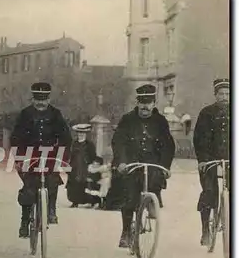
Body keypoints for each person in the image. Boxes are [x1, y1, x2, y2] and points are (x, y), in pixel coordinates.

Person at [112, 83, 175, 248]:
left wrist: (165, 166)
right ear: (137, 103)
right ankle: (126, 231)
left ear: (154, 103)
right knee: (128, 195)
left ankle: (153, 200)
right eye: (142, 102)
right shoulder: (127, 119)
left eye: (148, 102)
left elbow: (168, 145)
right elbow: (119, 141)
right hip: (132, 162)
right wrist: (122, 161)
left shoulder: (160, 121)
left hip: (152, 163)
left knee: (155, 178)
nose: (145, 106)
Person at [11, 82, 72, 238]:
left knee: (53, 179)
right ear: (33, 99)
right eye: (37, 98)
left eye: (44, 99)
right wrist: (19, 158)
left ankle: (51, 209)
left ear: (49, 99)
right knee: (29, 188)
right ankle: (24, 222)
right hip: (29, 155)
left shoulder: (56, 114)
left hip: (50, 154)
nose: (40, 102)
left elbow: (65, 138)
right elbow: (15, 137)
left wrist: (63, 158)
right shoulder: (25, 114)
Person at [193, 78, 230, 246]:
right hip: (210, 159)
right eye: (221, 94)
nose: (225, 97)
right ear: (215, 95)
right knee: (209, 192)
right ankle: (205, 230)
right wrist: (203, 160)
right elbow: (200, 139)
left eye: (228, 94)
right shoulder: (206, 113)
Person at [66, 124, 97, 207]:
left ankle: (91, 201)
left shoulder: (90, 144)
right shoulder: (74, 143)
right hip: (75, 166)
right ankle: (75, 202)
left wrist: (92, 165)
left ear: (86, 134)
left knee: (86, 184)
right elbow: (70, 155)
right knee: (74, 184)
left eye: (83, 133)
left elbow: (93, 156)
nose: (81, 134)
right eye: (79, 133)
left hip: (85, 167)